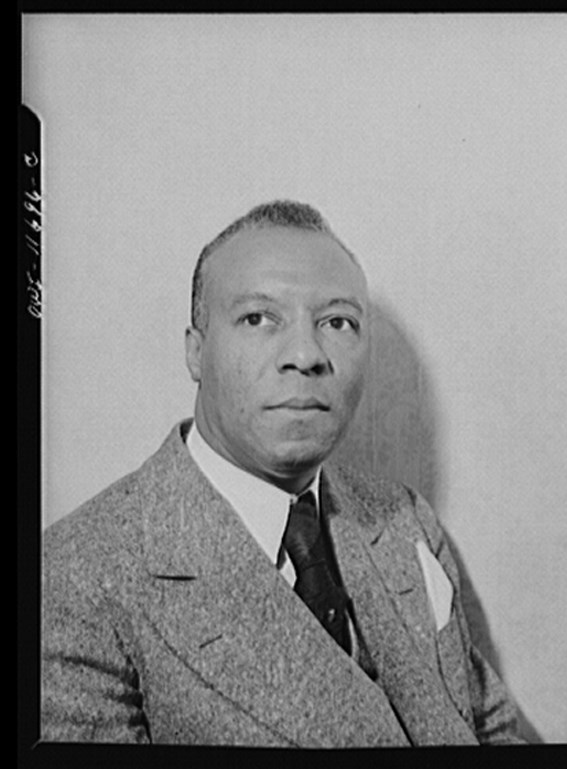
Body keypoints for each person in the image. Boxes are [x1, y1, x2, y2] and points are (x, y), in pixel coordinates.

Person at [41, 200, 524, 746]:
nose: (305, 354)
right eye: (258, 319)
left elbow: (491, 731)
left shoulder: (405, 519)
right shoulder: (71, 579)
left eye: (337, 322)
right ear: (196, 353)